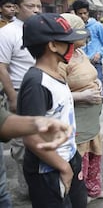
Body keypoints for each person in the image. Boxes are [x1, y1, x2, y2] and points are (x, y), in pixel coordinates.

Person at [18, 13, 89, 208]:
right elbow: (31, 137)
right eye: (68, 41)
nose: (72, 47)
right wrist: (63, 167)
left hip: (68, 158)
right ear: (52, 45)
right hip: (48, 170)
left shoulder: (56, 73)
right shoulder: (36, 82)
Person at [59, 13, 103, 203]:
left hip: (92, 120)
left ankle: (94, 190)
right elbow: (55, 95)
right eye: (81, 31)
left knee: (94, 154)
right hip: (77, 121)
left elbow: (89, 74)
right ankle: (81, 197)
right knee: (79, 160)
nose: (86, 35)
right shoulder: (60, 60)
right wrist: (81, 96)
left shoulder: (80, 53)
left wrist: (96, 82)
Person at [0, 78, 73, 208]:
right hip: (43, 171)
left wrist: (36, 124)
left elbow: (2, 120)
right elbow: (31, 140)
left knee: (2, 194)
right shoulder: (35, 82)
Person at [0, 0, 41, 198]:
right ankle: (27, 189)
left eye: (38, 6)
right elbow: (2, 67)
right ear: (16, 8)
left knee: (44, 138)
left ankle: (45, 183)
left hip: (42, 91)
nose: (35, 10)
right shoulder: (8, 33)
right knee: (22, 145)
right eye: (30, 6)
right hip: (20, 92)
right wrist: (13, 98)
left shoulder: (40, 29)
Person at [71, 0, 103, 120]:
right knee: (84, 89)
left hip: (96, 63)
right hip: (79, 65)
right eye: (79, 13)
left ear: (88, 13)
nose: (82, 16)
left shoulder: (97, 26)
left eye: (84, 13)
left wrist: (99, 53)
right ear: (75, 14)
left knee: (98, 88)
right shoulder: (73, 28)